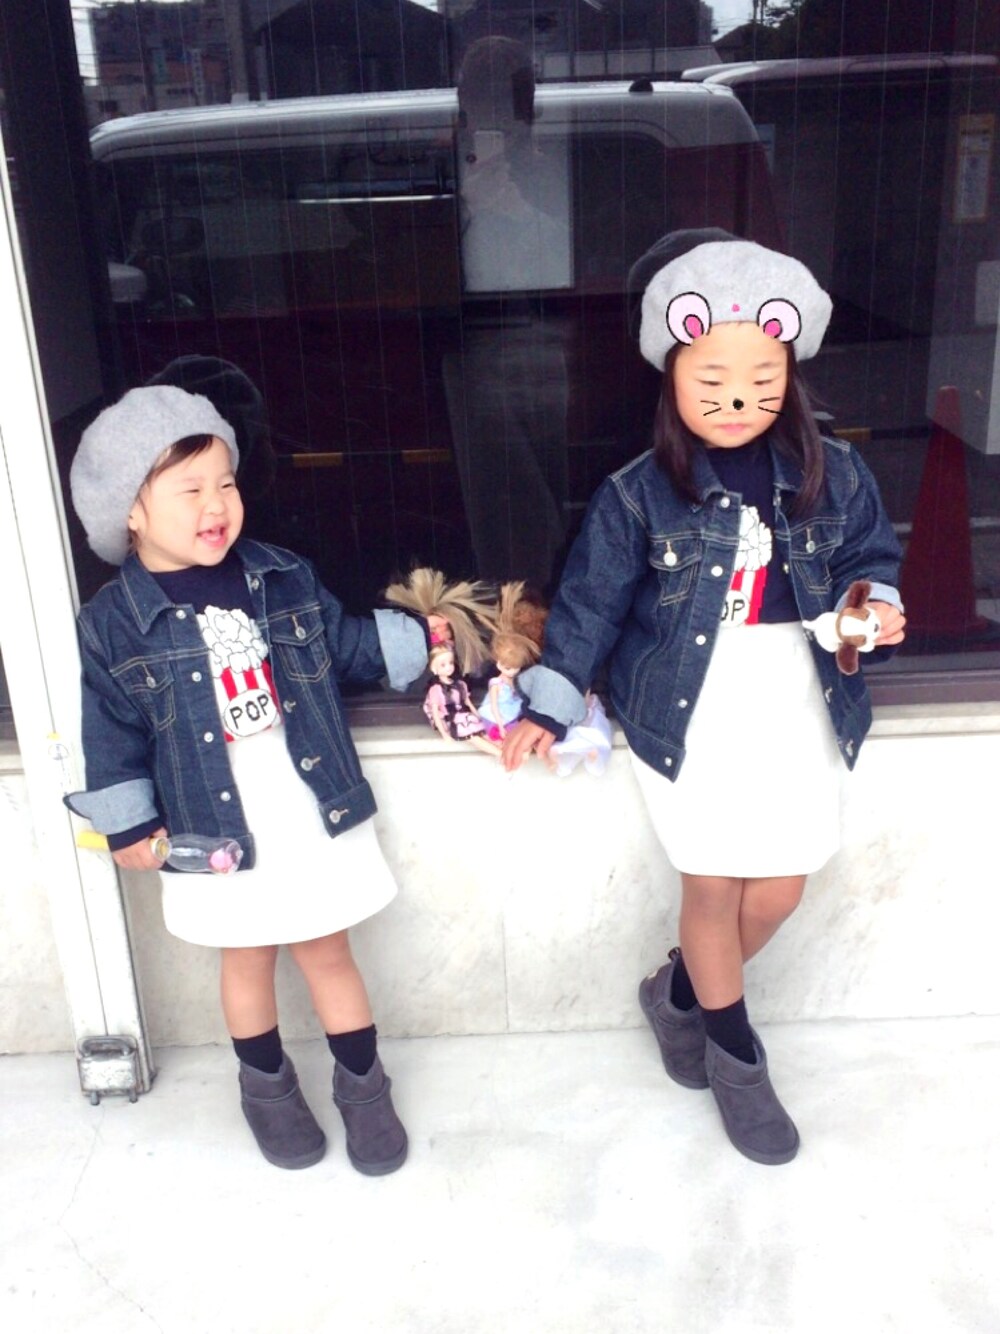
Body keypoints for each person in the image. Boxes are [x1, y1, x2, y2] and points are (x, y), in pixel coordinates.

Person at [501, 229, 906, 1165]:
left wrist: (875, 609)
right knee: (714, 884)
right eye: (712, 378)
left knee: (781, 887)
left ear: (789, 374)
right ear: (673, 374)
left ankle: (679, 994)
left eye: (761, 378)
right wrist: (546, 705)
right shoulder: (638, 495)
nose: (735, 398)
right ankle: (736, 1060)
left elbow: (871, 560)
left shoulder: (836, 474)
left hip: (795, 702)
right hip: (687, 707)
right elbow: (591, 606)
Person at [64, 384, 442, 1174]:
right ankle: (266, 1089)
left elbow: (341, 645)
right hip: (209, 816)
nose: (216, 505)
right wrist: (128, 821)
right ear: (130, 513)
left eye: (226, 483)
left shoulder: (282, 574)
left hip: (300, 797)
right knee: (246, 957)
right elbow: (112, 730)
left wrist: (420, 640)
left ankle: (364, 1087)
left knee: (327, 947)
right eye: (189, 489)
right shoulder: (111, 623)